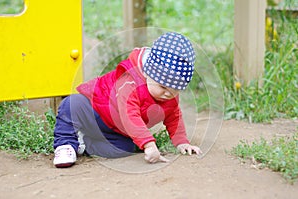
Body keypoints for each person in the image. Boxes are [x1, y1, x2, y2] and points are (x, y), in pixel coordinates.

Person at [53, 32, 203, 168]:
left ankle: (84, 144)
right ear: (147, 74)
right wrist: (149, 145)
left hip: (116, 129)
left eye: (175, 89)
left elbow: (174, 117)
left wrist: (182, 142)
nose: (168, 94)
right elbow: (129, 114)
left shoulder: (169, 95)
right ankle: (65, 144)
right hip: (96, 110)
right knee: (72, 104)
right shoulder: (131, 83)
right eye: (163, 87)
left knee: (125, 147)